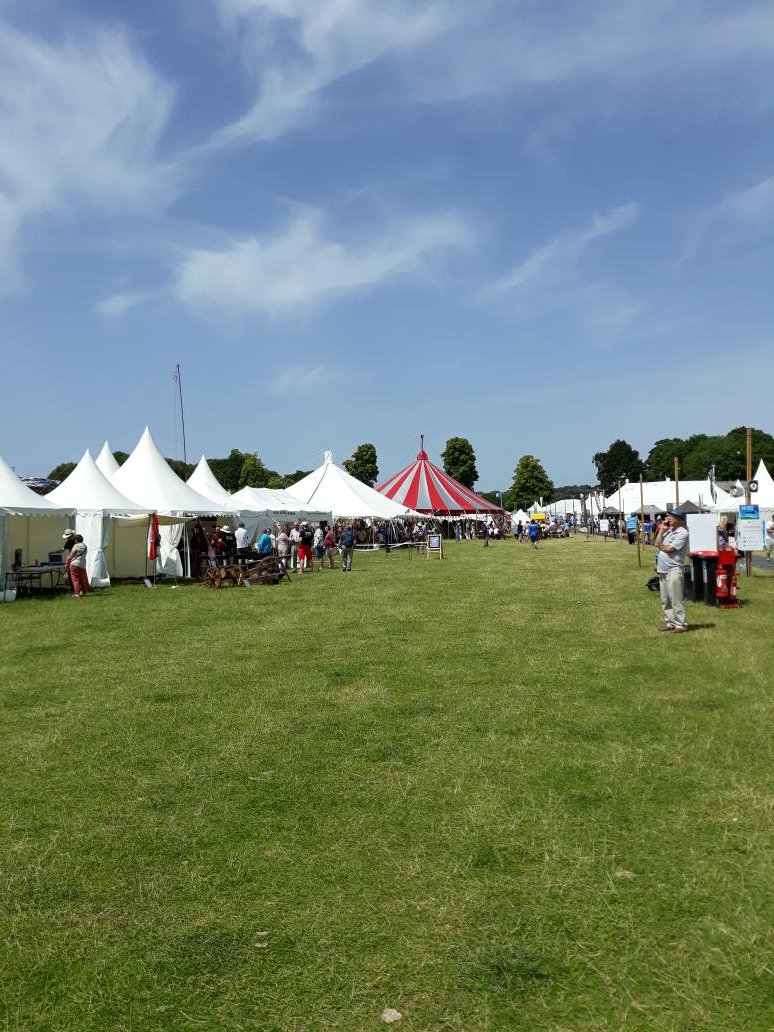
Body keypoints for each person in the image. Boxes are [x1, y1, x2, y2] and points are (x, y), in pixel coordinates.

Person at [655, 508, 689, 633]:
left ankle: (681, 624)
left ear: (679, 519)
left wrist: (661, 546)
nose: (668, 518)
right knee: (665, 600)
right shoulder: (668, 531)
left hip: (674, 569)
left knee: (676, 599)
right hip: (663, 569)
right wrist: (662, 530)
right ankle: (670, 623)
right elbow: (657, 543)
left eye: (671, 516)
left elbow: (670, 549)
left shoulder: (682, 533)